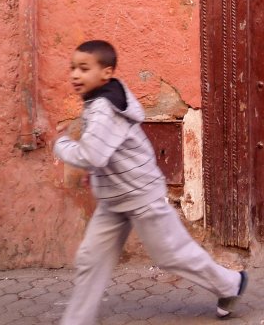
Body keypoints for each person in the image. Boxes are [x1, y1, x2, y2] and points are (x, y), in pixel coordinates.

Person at [54, 40, 247, 323]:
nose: (75, 75)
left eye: (84, 69)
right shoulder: (99, 100)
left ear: (106, 73)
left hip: (141, 194)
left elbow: (92, 155)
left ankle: (231, 284)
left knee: (171, 254)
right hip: (114, 199)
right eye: (72, 68)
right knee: (91, 260)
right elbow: (104, 154)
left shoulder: (104, 107)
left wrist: (60, 145)